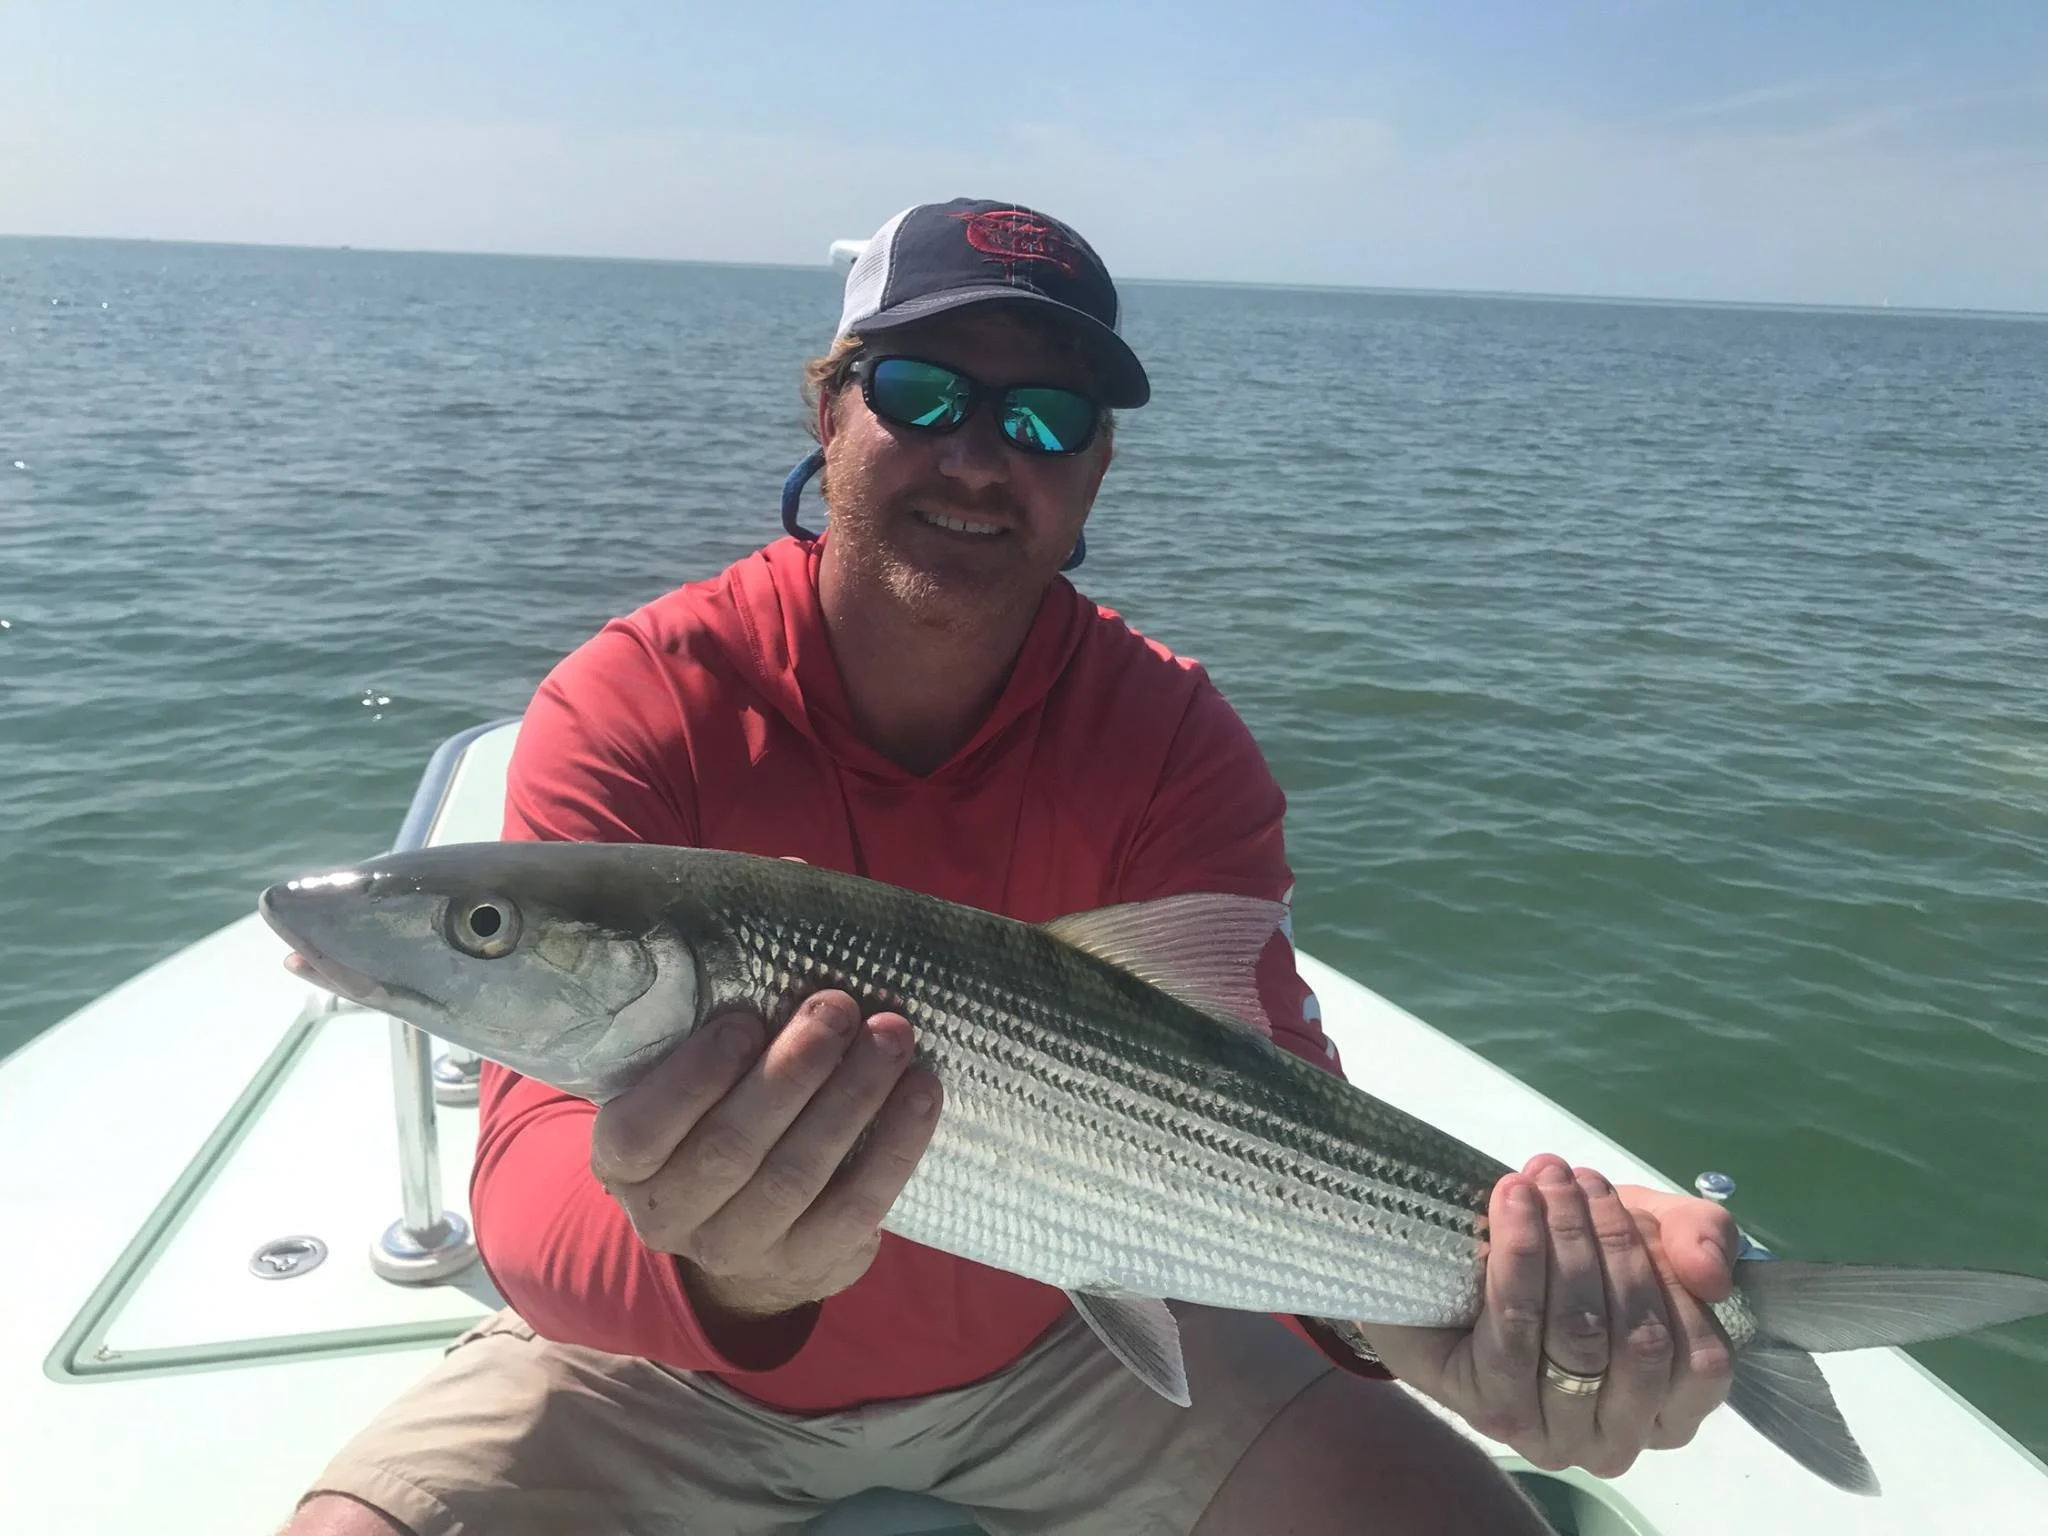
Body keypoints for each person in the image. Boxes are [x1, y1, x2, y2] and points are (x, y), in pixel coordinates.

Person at [287, 199, 1738, 1536]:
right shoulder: (640, 697)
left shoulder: (1175, 737)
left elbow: (1272, 1106)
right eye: (924, 397)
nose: (979, 457)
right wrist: (737, 1269)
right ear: (830, 405)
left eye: (1047, 421)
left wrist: (1417, 1323)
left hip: (1072, 1349)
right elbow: (538, 1204)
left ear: (1097, 465)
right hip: (657, 1373)